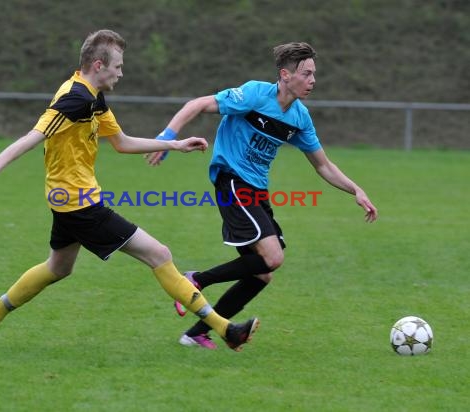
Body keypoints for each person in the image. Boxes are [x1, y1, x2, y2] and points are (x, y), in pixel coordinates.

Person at [0, 29, 259, 352]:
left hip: (66, 199)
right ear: (99, 65)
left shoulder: (93, 97)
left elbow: (122, 142)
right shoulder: (75, 99)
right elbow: (34, 135)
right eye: (118, 66)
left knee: (58, 268)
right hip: (80, 204)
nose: (121, 72)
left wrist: (174, 144)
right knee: (160, 254)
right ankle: (225, 328)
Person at [146, 42, 378, 349]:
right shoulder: (255, 95)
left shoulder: (300, 118)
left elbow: (322, 164)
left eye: (314, 74)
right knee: (273, 257)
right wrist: (166, 138)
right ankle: (196, 279)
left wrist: (356, 189)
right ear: (285, 75)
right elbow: (199, 104)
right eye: (306, 74)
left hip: (256, 190)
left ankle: (196, 333)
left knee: (262, 273)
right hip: (231, 181)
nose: (313, 81)